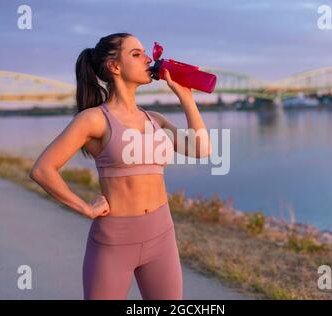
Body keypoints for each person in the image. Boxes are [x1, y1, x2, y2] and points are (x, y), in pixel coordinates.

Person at [30, 32, 211, 300]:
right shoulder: (93, 120)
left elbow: (201, 149)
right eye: (136, 54)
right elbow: (42, 169)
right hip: (114, 241)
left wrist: (185, 97)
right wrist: (84, 208)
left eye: (144, 53)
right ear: (115, 67)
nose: (147, 58)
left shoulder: (155, 119)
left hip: (162, 235)